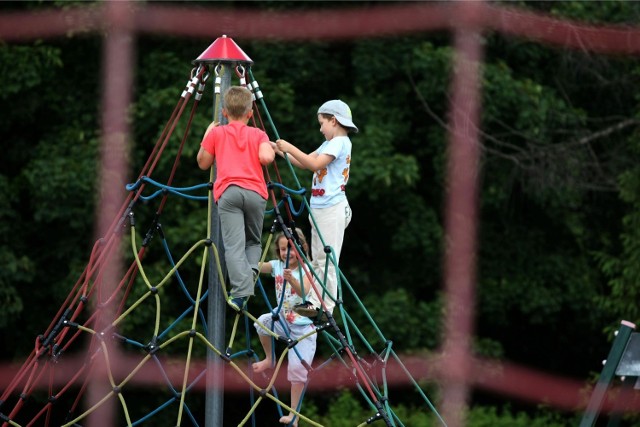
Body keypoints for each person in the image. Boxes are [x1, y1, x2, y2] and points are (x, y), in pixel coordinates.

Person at [274, 99, 356, 319]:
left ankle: (326, 305)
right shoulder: (329, 144)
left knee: (328, 258)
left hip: (332, 208)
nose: (320, 129)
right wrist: (279, 150)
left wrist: (288, 146)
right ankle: (314, 301)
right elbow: (304, 161)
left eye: (322, 123)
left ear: (334, 121)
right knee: (318, 258)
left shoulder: (340, 142)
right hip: (319, 208)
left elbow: (315, 165)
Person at [197, 85, 275, 311]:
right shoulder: (258, 134)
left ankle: (241, 293)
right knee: (253, 241)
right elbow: (266, 157)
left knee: (233, 246)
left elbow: (203, 162)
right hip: (255, 193)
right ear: (250, 113)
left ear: (224, 112)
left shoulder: (217, 133)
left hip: (229, 192)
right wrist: (265, 148)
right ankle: (250, 273)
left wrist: (207, 133)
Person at [253, 229, 316, 427]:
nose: (286, 253)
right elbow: (258, 266)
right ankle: (269, 358)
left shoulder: (307, 269)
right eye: (282, 249)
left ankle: (294, 415)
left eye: (290, 247)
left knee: (298, 369)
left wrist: (292, 280)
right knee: (262, 322)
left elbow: (304, 292)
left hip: (303, 328)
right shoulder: (277, 266)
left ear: (301, 248)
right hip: (282, 319)